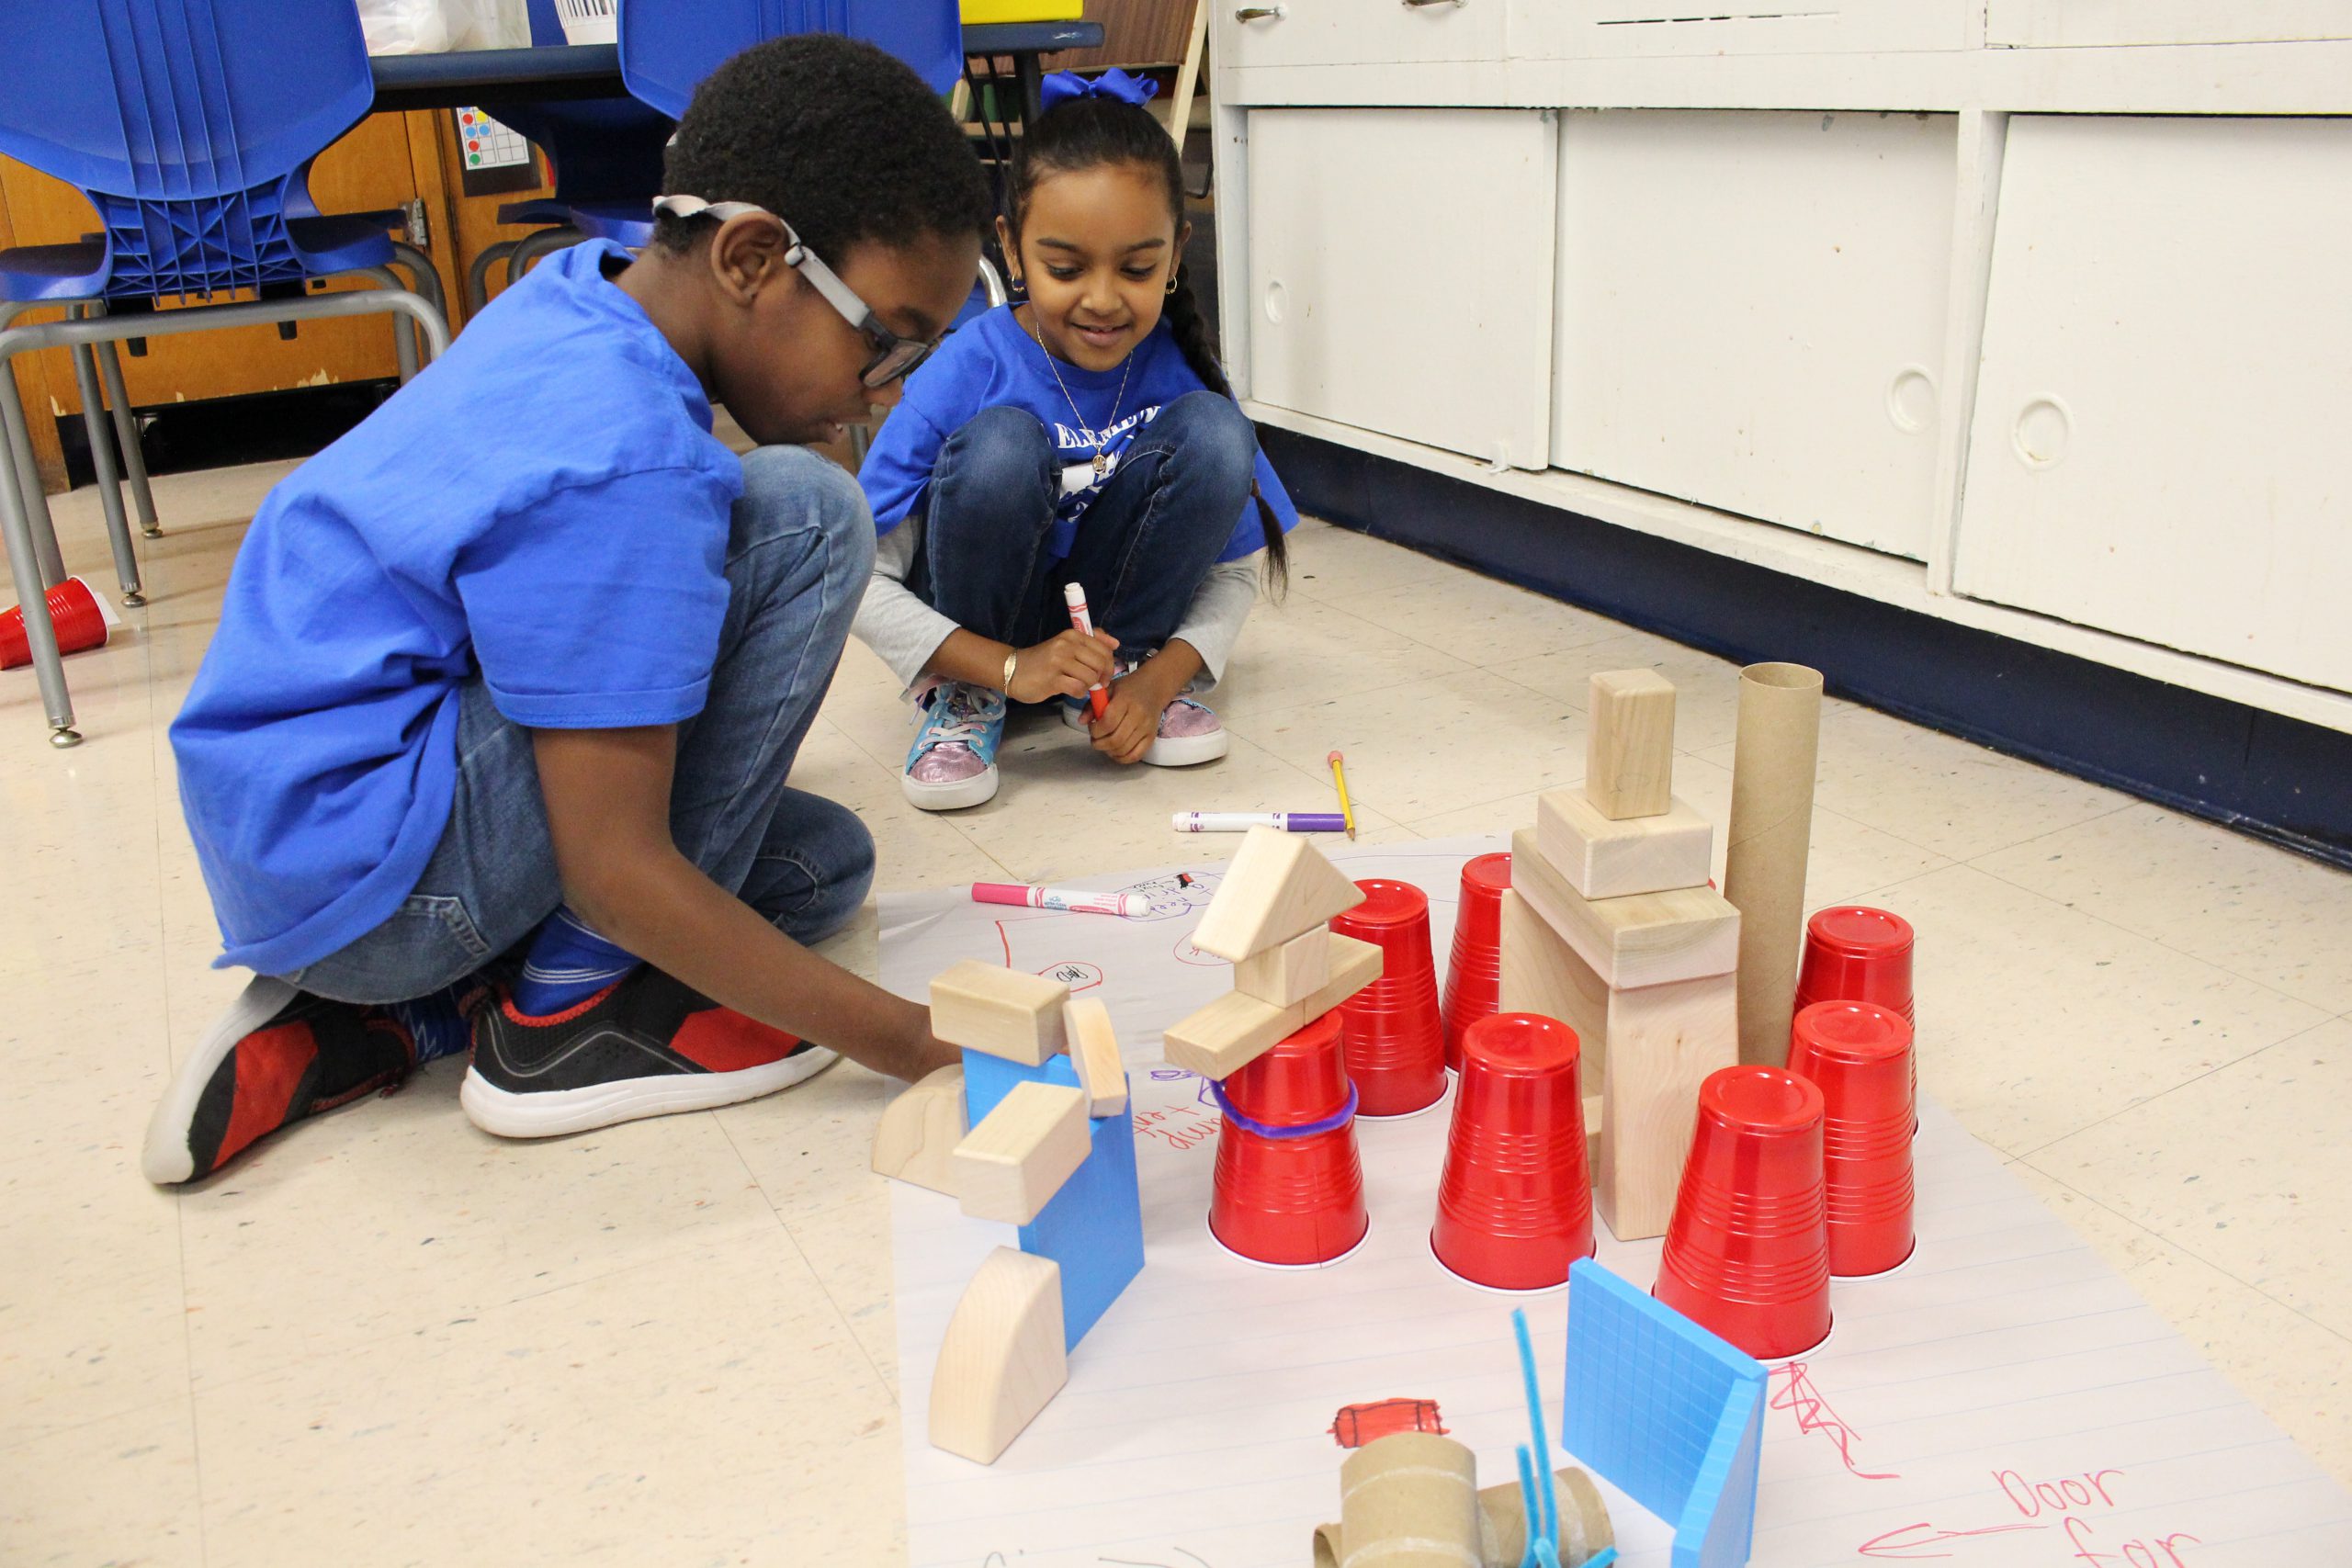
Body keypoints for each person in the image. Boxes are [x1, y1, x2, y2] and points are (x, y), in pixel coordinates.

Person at [142, 36, 989, 1186]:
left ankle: (406, 1019)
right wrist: (919, 1048)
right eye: (883, 339)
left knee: (820, 867)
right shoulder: (625, 461)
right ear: (749, 258)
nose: (882, 387)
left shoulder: (576, 296)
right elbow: (614, 869)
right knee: (805, 513)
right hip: (375, 876)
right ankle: (555, 1023)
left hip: (300, 845)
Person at [854, 69, 1297, 811]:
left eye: (1137, 268)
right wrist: (1002, 667)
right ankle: (965, 702)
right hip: (981, 642)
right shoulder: (970, 364)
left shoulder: (1185, 369)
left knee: (1221, 435)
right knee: (1000, 446)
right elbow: (858, 580)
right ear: (1013, 249)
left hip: (1115, 649)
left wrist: (1156, 683)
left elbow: (1233, 569)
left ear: (1176, 253)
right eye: (1065, 268)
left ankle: (1116, 676)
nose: (1101, 298)